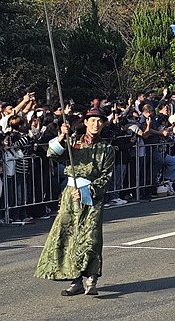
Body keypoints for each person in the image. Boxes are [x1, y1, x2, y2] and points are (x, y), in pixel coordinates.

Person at [34, 107, 115, 296]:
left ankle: (91, 278)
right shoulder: (73, 142)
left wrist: (88, 191)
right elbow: (52, 155)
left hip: (92, 198)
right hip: (70, 197)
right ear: (86, 122)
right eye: (92, 120)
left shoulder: (107, 149)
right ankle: (75, 279)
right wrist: (62, 136)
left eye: (99, 121)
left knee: (91, 238)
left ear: (103, 124)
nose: (96, 124)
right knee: (69, 237)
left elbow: (106, 176)